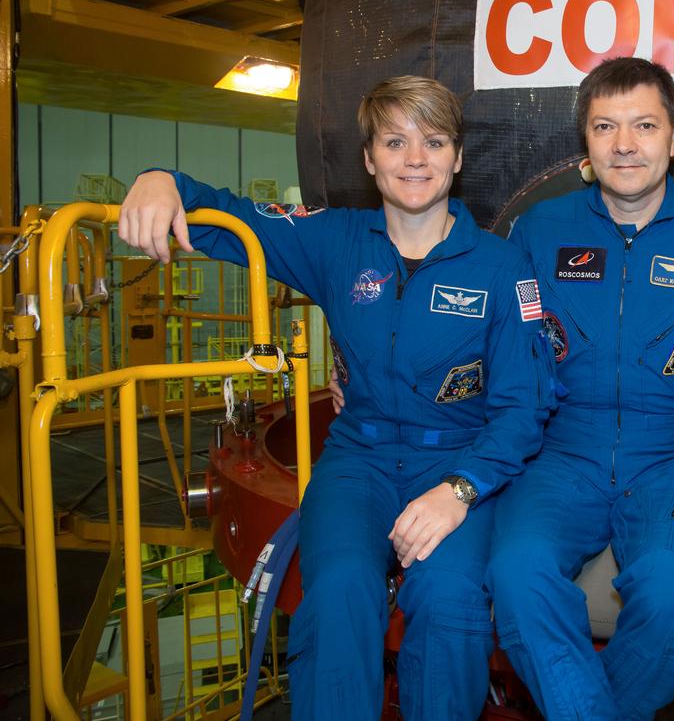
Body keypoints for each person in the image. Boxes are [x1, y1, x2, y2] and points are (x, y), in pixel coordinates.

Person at [118, 76, 550, 721]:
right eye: (395, 141)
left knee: (449, 599)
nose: (414, 159)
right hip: (359, 463)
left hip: (459, 462)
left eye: (433, 142)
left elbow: (525, 407)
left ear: (456, 159)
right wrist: (162, 179)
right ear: (370, 158)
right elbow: (229, 220)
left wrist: (458, 491)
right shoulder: (333, 241)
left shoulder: (503, 267)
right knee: (339, 590)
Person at [482, 57, 674, 720]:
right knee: (517, 572)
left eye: (643, 125)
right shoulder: (537, 233)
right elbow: (495, 335)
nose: (624, 144)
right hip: (560, 451)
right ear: (586, 139)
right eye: (605, 126)